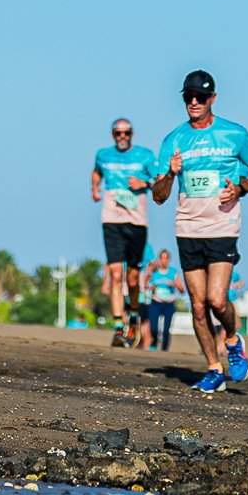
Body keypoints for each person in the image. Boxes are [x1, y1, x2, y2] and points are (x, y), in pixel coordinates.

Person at [152, 70, 248, 394]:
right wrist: (171, 174)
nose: (193, 102)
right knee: (198, 305)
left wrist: (241, 189)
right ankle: (213, 368)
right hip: (188, 226)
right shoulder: (174, 140)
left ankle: (232, 340)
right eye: (188, 96)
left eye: (200, 97)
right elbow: (159, 195)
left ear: (212, 99)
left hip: (222, 224)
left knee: (218, 300)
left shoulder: (234, 134)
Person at [91, 119, 158, 349]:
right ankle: (119, 326)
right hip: (111, 219)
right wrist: (95, 189)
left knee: (132, 276)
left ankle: (134, 313)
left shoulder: (145, 156)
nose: (122, 136)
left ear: (132, 134)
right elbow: (96, 173)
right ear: (112, 134)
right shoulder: (103, 155)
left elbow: (160, 180)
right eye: (118, 133)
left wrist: (144, 183)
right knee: (115, 273)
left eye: (126, 133)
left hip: (136, 221)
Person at [143, 248, 179, 351]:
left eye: (166, 258)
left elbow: (182, 289)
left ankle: (164, 350)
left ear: (169, 260)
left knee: (166, 330)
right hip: (156, 303)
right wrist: (150, 286)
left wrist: (174, 284)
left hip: (169, 304)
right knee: (153, 328)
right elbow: (146, 286)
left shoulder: (173, 272)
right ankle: (153, 343)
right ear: (159, 259)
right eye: (162, 258)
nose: (164, 260)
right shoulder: (154, 273)